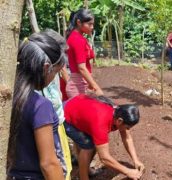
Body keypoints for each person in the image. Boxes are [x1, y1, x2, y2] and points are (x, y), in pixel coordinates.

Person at [7, 32, 67, 179]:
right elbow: (49, 164)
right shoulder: (40, 106)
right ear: (46, 67)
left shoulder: (9, 98)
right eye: (57, 72)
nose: (54, 78)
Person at [64, 95, 144, 180]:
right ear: (119, 121)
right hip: (66, 115)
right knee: (88, 146)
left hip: (78, 108)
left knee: (92, 144)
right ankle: (83, 177)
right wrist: (128, 171)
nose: (127, 130)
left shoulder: (119, 113)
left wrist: (136, 160)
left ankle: (86, 170)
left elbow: (127, 138)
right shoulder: (102, 122)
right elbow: (104, 158)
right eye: (127, 127)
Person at [35, 29, 73, 180]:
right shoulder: (39, 100)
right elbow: (48, 164)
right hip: (48, 127)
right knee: (56, 165)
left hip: (58, 122)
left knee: (64, 164)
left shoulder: (51, 73)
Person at [66, 9, 103, 98]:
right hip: (78, 86)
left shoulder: (75, 36)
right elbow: (82, 68)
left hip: (79, 84)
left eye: (92, 24)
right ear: (79, 22)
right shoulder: (78, 40)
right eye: (89, 24)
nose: (92, 27)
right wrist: (96, 87)